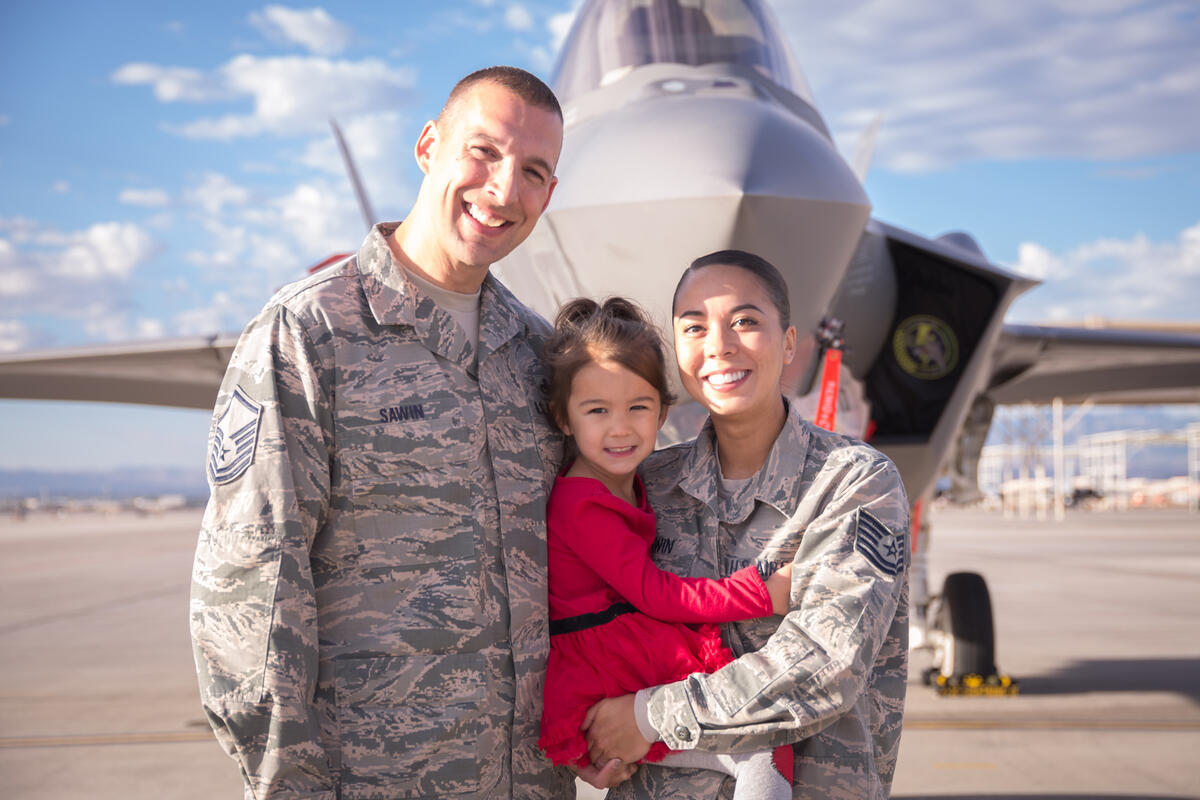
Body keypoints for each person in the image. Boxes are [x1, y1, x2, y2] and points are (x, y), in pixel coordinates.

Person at [191, 66, 581, 799]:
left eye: (532, 171)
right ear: (428, 145)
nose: (503, 190)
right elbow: (249, 590)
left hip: (528, 782)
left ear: (549, 194)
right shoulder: (310, 334)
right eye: (483, 152)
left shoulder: (536, 356)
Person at [583, 250, 910, 799]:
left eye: (745, 322)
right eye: (695, 327)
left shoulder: (851, 483)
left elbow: (825, 665)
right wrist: (586, 739)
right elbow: (587, 624)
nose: (719, 345)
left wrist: (646, 718)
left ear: (788, 344)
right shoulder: (646, 487)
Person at [536, 297, 795, 799]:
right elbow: (657, 594)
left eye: (638, 407)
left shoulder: (631, 481)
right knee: (762, 743)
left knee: (747, 752)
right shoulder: (582, 503)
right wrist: (762, 593)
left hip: (613, 652)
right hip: (611, 655)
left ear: (662, 412)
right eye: (597, 410)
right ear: (562, 418)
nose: (620, 427)